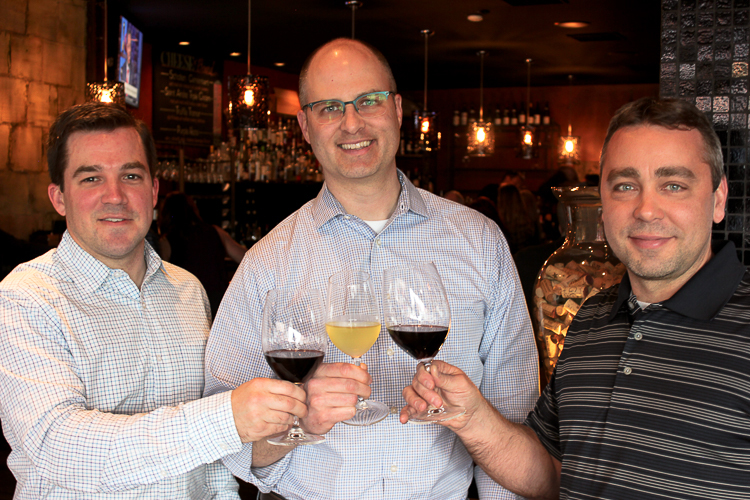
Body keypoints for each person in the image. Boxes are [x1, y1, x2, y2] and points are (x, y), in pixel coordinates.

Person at [204, 38, 538, 500]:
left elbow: (513, 413)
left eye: (369, 101)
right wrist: (299, 424)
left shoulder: (479, 242)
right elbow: (229, 444)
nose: (352, 123)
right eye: (329, 108)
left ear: (398, 109)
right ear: (304, 126)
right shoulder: (268, 263)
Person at [401, 97, 750, 500]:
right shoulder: (591, 320)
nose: (647, 209)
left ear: (719, 198)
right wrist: (472, 418)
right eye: (625, 185)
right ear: (602, 205)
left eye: (674, 185)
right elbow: (551, 473)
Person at [0, 102, 310, 499]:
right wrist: (227, 418)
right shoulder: (28, 297)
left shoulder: (187, 290)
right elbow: (60, 447)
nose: (115, 196)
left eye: (131, 175)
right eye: (91, 178)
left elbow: (211, 464)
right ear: (59, 198)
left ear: (153, 191)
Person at [158, 191, 247, 319]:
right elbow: (245, 257)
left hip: (187, 306)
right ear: (194, 210)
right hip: (219, 304)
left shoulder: (167, 241)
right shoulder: (215, 231)